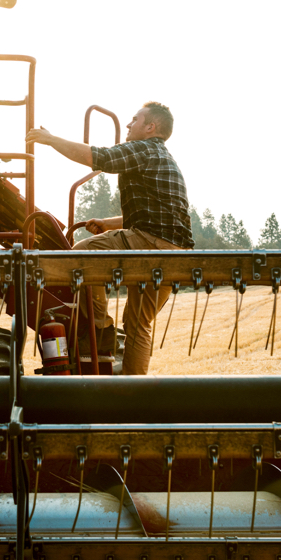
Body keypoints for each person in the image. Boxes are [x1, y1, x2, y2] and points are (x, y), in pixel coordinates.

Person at [26, 101, 194, 374]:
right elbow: (160, 215)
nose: (128, 124)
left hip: (149, 243)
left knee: (81, 253)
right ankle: (132, 392)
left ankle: (100, 328)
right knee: (139, 325)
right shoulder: (164, 158)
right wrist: (108, 223)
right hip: (175, 253)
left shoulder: (145, 148)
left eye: (135, 119)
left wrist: (51, 140)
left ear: (150, 127)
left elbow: (100, 157)